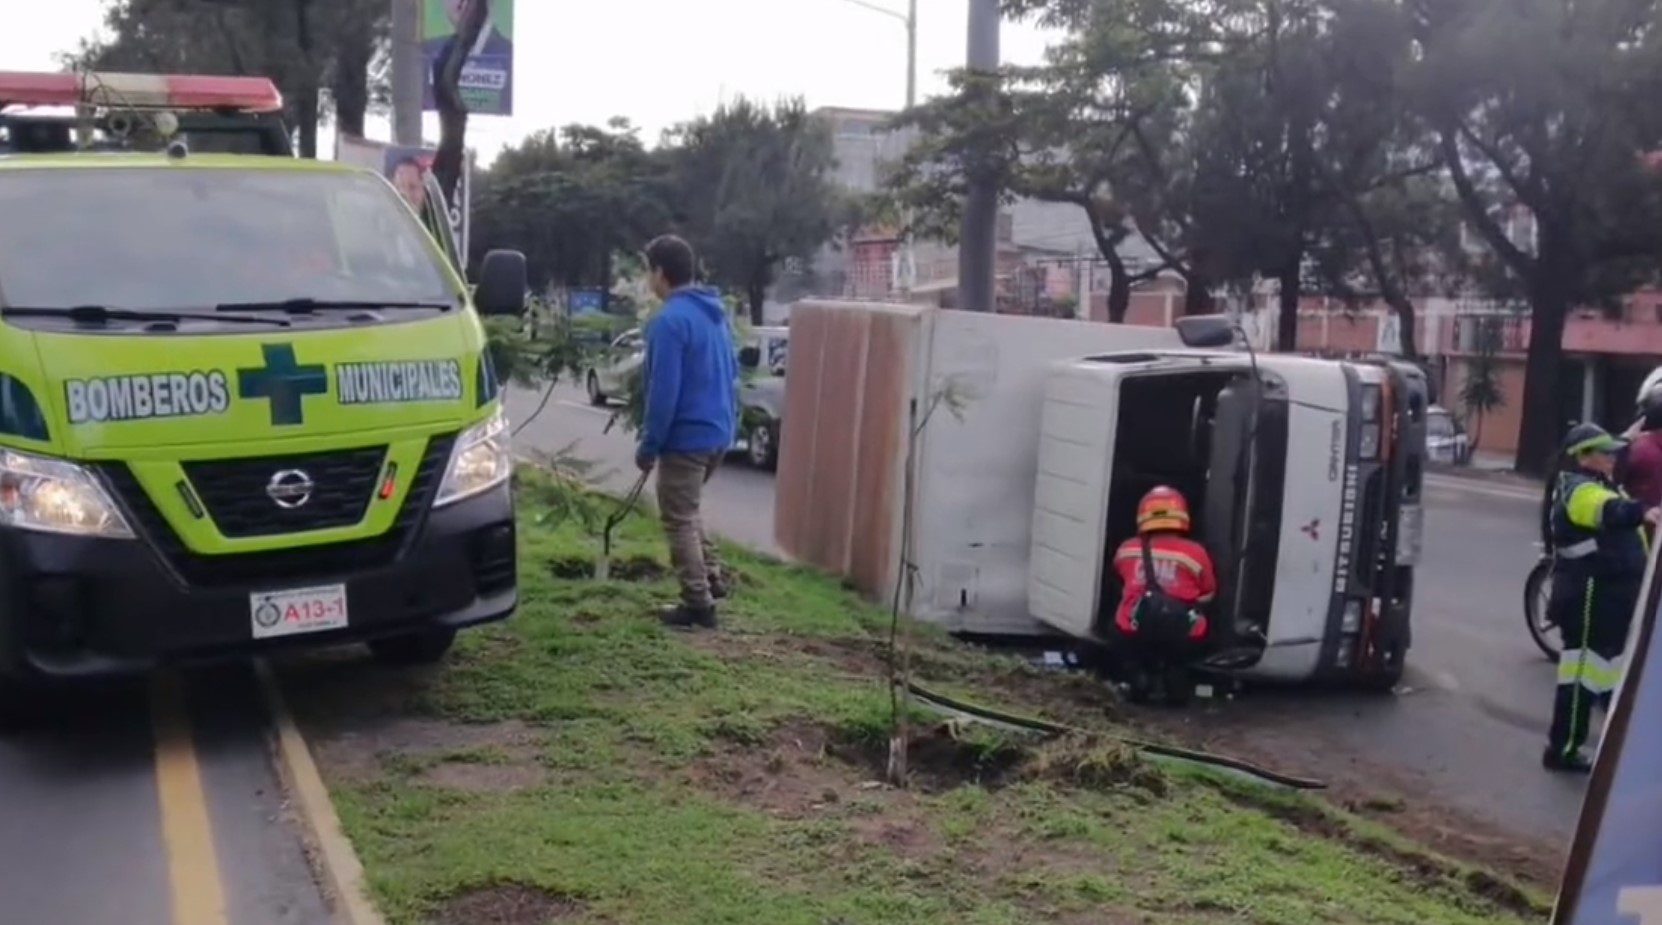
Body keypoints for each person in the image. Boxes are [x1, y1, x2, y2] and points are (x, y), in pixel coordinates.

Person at [1543, 422, 1661, 773]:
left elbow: (1623, 451)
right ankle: (1563, 749)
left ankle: (1615, 747)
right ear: (1584, 456)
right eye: (1603, 452)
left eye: (1611, 452)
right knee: (1581, 676)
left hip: (1609, 593)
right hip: (1589, 592)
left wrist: (1637, 429)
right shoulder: (1578, 489)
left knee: (1605, 673)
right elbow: (1608, 511)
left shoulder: (1598, 482)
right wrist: (1642, 511)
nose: (1611, 457)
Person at [637, 235, 739, 629]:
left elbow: (664, 393)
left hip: (686, 437)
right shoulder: (714, 314)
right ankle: (711, 577)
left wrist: (650, 445)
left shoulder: (668, 321)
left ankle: (697, 603)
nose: (649, 279)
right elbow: (731, 375)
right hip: (717, 433)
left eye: (649, 270)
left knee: (677, 518)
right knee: (690, 510)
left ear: (660, 273)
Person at [1110, 486, 1218, 705]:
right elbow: (1208, 593)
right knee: (1195, 634)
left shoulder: (1126, 549)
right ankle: (1175, 680)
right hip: (1182, 632)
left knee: (1118, 627)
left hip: (1135, 628)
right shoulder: (1195, 553)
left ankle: (1138, 677)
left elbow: (1118, 576)